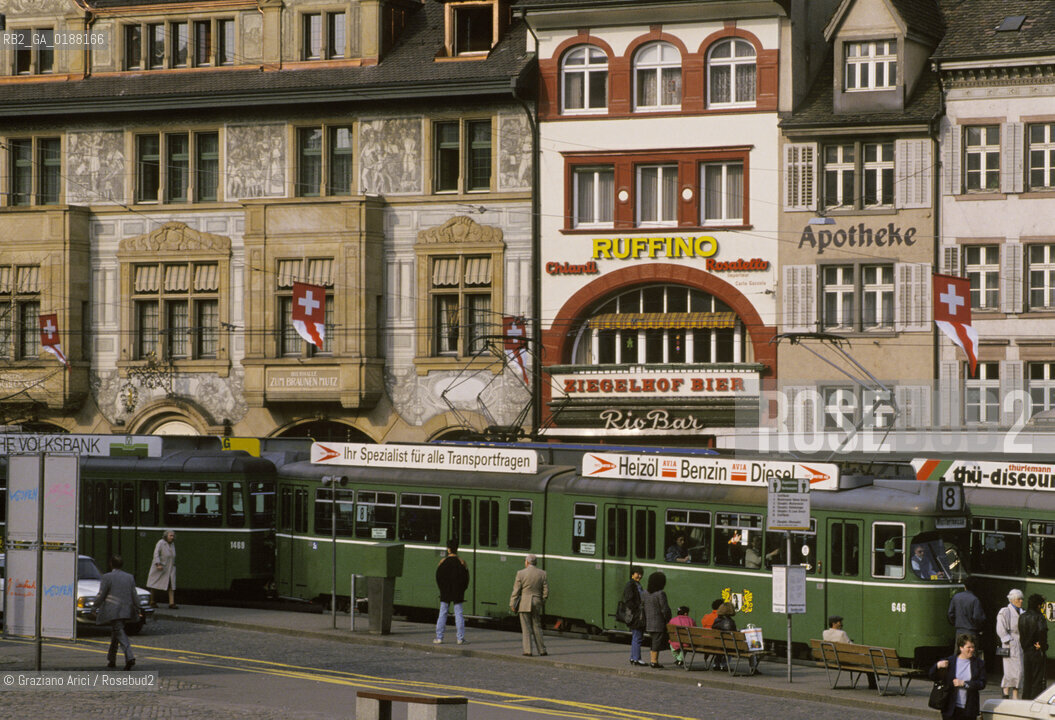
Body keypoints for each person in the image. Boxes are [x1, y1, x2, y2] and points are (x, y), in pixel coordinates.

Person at [95, 554, 139, 670]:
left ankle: (130, 657)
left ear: (111, 564)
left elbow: (102, 594)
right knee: (116, 633)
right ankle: (111, 659)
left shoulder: (107, 577)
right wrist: (138, 606)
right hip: (126, 610)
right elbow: (134, 594)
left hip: (113, 611)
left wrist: (94, 606)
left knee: (119, 632)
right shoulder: (129, 577)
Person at [929, 633, 985, 720]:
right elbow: (932, 676)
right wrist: (937, 665)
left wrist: (964, 683)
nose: (972, 650)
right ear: (961, 648)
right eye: (969, 647)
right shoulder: (950, 661)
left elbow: (982, 683)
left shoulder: (978, 663)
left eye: (973, 647)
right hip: (950, 708)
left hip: (969, 709)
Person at [510, 554, 548, 657]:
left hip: (524, 603)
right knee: (537, 626)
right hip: (536, 602)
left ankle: (528, 650)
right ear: (536, 563)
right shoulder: (542, 573)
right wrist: (542, 601)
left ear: (527, 562)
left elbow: (516, 590)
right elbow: (545, 591)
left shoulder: (521, 573)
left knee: (526, 628)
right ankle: (542, 650)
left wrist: (512, 603)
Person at [824, 615, 877, 688]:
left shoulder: (825, 633)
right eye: (840, 622)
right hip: (843, 660)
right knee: (867, 662)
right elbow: (852, 647)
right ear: (833, 623)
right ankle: (873, 685)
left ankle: (873, 683)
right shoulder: (842, 633)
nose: (841, 624)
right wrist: (862, 654)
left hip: (832, 659)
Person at [434, 539, 470, 645]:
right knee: (459, 614)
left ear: (448, 549)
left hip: (445, 592)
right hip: (457, 592)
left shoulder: (443, 562)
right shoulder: (462, 562)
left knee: (442, 613)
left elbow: (438, 577)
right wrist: (462, 590)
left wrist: (442, 589)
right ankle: (460, 638)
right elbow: (466, 579)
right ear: (457, 549)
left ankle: (439, 637)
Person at [995, 588, 1025, 699]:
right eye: (1018, 599)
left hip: (1020, 643)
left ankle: (1015, 692)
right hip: (1010, 644)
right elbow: (1000, 628)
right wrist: (1007, 640)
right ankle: (1006, 690)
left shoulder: (1023, 612)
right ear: (1012, 600)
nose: (1021, 601)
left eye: (1021, 599)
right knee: (1010, 670)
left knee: (1020, 670)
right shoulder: (1005, 611)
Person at [1019, 593, 1048, 699]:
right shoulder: (1039, 617)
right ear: (1038, 605)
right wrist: (1043, 646)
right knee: (1037, 679)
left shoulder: (1022, 616)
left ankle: (1025, 699)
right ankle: (1034, 700)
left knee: (1027, 678)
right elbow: (1042, 632)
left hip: (1026, 651)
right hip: (1036, 651)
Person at [642, 571, 672, 669]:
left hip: (648, 621)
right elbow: (665, 609)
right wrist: (668, 619)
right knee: (656, 642)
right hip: (658, 622)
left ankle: (653, 660)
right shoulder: (660, 594)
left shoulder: (645, 593)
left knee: (654, 641)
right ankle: (654, 661)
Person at [948, 577, 985, 648]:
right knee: (971, 653)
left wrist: (956, 623)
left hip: (959, 632)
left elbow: (950, 614)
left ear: (965, 586)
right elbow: (978, 617)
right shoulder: (975, 600)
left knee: (959, 653)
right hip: (971, 633)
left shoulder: (956, 597)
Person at [621, 566, 647, 666]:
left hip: (636, 613)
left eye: (641, 574)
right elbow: (629, 600)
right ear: (632, 574)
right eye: (638, 574)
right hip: (636, 615)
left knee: (636, 636)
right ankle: (637, 658)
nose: (640, 576)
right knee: (638, 636)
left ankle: (633, 657)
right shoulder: (631, 585)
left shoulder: (636, 584)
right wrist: (637, 609)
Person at [147, 529, 177, 609]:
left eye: (173, 536)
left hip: (170, 568)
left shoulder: (172, 544)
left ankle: (171, 603)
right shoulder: (161, 543)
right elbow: (156, 554)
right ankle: (152, 601)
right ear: (166, 536)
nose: (172, 537)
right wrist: (158, 564)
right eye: (171, 536)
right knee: (154, 584)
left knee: (171, 585)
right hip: (160, 567)